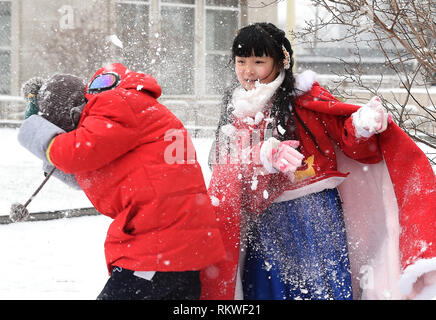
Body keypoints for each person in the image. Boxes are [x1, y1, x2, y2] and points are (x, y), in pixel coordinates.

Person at [200, 23, 436, 300]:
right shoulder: (236, 105)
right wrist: (261, 154)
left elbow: (348, 138)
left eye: (259, 61)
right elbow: (219, 159)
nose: (248, 71)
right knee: (268, 290)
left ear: (282, 60)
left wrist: (361, 125)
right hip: (264, 219)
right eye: (241, 62)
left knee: (320, 289)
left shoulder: (304, 97)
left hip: (314, 215)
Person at [17, 62, 226, 300]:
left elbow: (75, 154)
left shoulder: (115, 102)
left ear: (75, 112)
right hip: (181, 245)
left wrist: (34, 127)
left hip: (158, 246)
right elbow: (86, 173)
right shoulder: (137, 107)